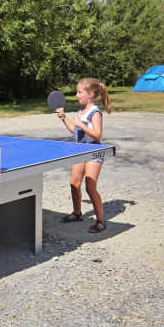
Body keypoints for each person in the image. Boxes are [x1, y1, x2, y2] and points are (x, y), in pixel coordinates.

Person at [56, 78, 112, 233]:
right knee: (74, 184)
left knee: (90, 187)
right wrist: (64, 118)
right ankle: (77, 213)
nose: (76, 95)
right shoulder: (80, 111)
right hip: (80, 151)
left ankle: (101, 221)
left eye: (79, 92)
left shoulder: (95, 112)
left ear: (91, 94)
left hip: (93, 152)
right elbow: (75, 131)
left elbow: (97, 134)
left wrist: (81, 124)